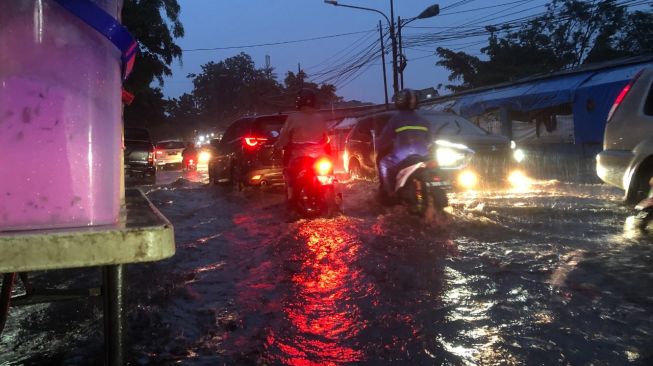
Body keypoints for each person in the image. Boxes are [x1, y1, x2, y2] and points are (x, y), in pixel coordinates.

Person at [274, 88, 330, 205]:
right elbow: (327, 137)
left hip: (299, 157)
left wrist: (277, 146)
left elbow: (283, 139)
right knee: (330, 178)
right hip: (320, 157)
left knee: (291, 179)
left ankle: (292, 204)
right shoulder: (320, 118)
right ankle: (333, 203)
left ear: (298, 102)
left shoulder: (293, 118)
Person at [376, 89, 432, 201]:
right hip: (423, 156)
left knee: (383, 163)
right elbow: (430, 141)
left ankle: (390, 193)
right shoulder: (424, 120)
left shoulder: (396, 118)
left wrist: (378, 144)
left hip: (403, 157)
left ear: (399, 102)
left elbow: (383, 139)